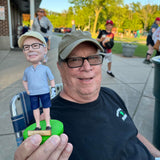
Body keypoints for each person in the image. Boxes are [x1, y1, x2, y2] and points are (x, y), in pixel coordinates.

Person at [15, 30, 160, 160]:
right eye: (75, 60)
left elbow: (133, 134)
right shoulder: (50, 122)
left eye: (93, 58)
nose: (87, 67)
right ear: (60, 68)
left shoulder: (110, 95)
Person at [18, 31, 56, 130]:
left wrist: (53, 89)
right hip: (33, 93)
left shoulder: (45, 69)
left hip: (44, 92)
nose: (30, 49)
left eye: (35, 45)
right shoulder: (27, 70)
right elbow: (24, 81)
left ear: (45, 49)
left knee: (46, 108)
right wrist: (27, 90)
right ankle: (38, 125)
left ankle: (48, 124)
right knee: (35, 109)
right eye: (26, 47)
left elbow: (51, 79)